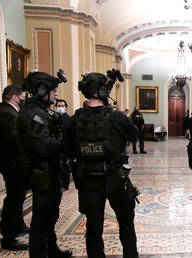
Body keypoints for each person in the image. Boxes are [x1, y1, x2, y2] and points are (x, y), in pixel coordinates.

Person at [65, 71, 139, 258]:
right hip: (115, 177)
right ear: (103, 92)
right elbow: (133, 135)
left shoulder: (76, 118)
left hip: (87, 179)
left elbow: (68, 148)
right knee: (126, 222)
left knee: (93, 226)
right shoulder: (116, 117)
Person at [17, 71, 72, 257]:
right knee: (41, 219)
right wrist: (66, 143)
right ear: (42, 91)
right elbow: (43, 147)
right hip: (42, 173)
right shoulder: (34, 115)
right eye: (53, 91)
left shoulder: (39, 112)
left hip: (49, 172)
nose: (56, 94)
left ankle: (52, 249)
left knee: (50, 216)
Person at [0, 85, 29, 250]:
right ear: (14, 97)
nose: (24, 98)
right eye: (22, 95)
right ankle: (8, 237)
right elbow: (13, 138)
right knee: (14, 199)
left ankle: (18, 225)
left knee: (18, 197)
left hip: (14, 162)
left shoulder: (8, 110)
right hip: (12, 163)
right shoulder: (5, 112)